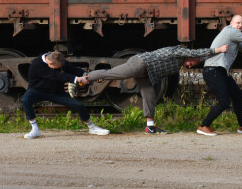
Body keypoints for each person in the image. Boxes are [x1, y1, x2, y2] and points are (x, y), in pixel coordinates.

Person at [87, 45, 228, 134]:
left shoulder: (180, 61)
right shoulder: (179, 51)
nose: (191, 66)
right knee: (111, 74)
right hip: (139, 63)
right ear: (189, 56)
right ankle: (83, 78)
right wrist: (218, 50)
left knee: (149, 96)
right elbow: (198, 51)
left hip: (145, 72)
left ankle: (150, 127)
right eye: (192, 62)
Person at [21, 51, 109, 139]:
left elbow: (73, 69)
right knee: (25, 100)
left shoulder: (58, 59)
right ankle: (35, 130)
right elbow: (56, 76)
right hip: (37, 90)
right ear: (50, 63)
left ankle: (92, 127)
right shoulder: (36, 64)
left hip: (56, 92)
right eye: (57, 67)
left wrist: (92, 77)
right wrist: (77, 79)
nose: (58, 68)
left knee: (78, 105)